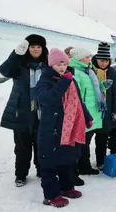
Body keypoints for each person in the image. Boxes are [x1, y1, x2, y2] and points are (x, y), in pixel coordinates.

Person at [36, 48, 92, 208]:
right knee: (50, 164)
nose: (62, 67)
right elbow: (45, 100)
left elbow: (79, 102)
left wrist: (87, 118)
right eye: (58, 64)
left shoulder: (70, 79)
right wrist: (63, 82)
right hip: (51, 129)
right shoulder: (45, 81)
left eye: (64, 64)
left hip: (69, 128)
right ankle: (51, 195)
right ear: (51, 65)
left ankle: (67, 187)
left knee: (67, 160)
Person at [0, 34, 48, 187]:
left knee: (42, 143)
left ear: (43, 49)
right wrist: (15, 54)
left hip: (42, 112)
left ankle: (42, 170)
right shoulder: (20, 64)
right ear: (27, 48)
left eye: (38, 46)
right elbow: (4, 71)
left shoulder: (47, 66)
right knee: (22, 146)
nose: (35, 49)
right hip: (21, 111)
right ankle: (21, 175)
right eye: (32, 46)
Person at [69, 47, 106, 176]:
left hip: (92, 110)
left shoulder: (87, 70)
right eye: (87, 57)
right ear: (79, 58)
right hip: (85, 112)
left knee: (86, 141)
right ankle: (83, 167)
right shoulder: (75, 71)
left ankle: (84, 165)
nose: (89, 59)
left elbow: (90, 90)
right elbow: (77, 95)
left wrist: (102, 86)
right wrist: (83, 112)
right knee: (82, 142)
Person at [91, 42, 116, 169]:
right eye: (101, 60)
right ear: (96, 59)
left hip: (106, 111)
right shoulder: (90, 70)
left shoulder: (112, 72)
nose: (104, 63)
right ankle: (83, 163)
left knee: (102, 138)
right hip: (91, 110)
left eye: (106, 61)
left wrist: (115, 110)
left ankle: (100, 161)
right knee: (85, 139)